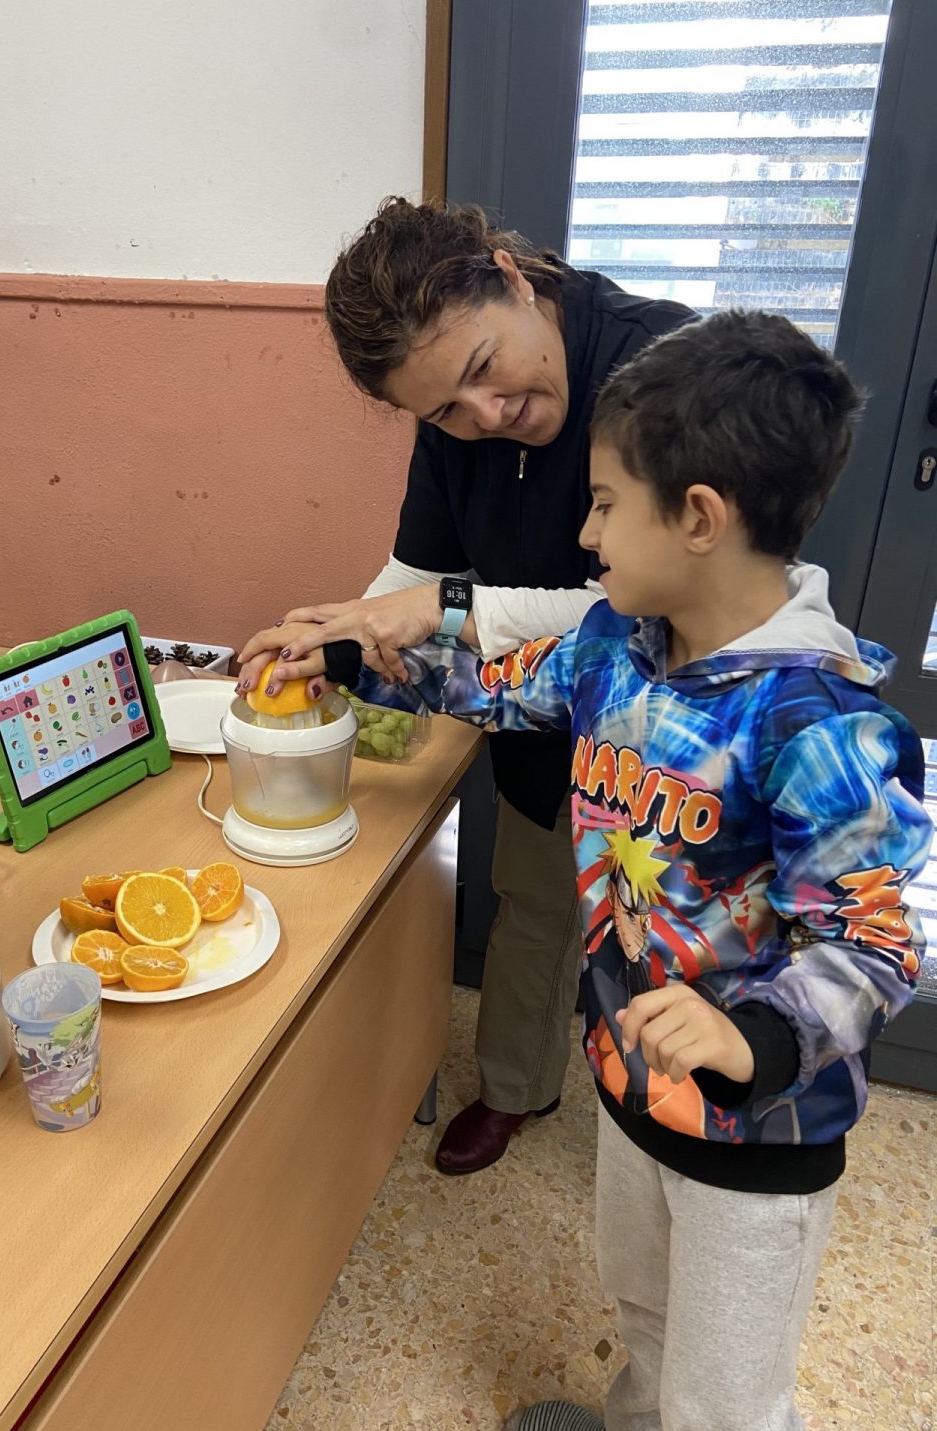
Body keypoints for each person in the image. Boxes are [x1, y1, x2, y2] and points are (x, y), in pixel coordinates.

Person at [320, 310, 933, 1431]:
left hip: (755, 1137)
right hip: (631, 1082)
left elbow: (881, 936)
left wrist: (752, 1036)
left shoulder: (818, 725)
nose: (584, 533)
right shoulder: (618, 647)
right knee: (642, 1304)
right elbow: (496, 688)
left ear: (699, 517)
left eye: (603, 506)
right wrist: (351, 657)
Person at [238, 198, 695, 1174]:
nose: (486, 416)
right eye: (447, 408)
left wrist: (442, 608)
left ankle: (673, 1129)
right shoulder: (450, 418)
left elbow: (671, 610)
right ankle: (518, 1088)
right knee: (536, 904)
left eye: (486, 370)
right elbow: (412, 577)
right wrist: (338, 636)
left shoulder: (666, 374)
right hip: (542, 730)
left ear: (512, 275)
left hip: (678, 740)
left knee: (673, 944)